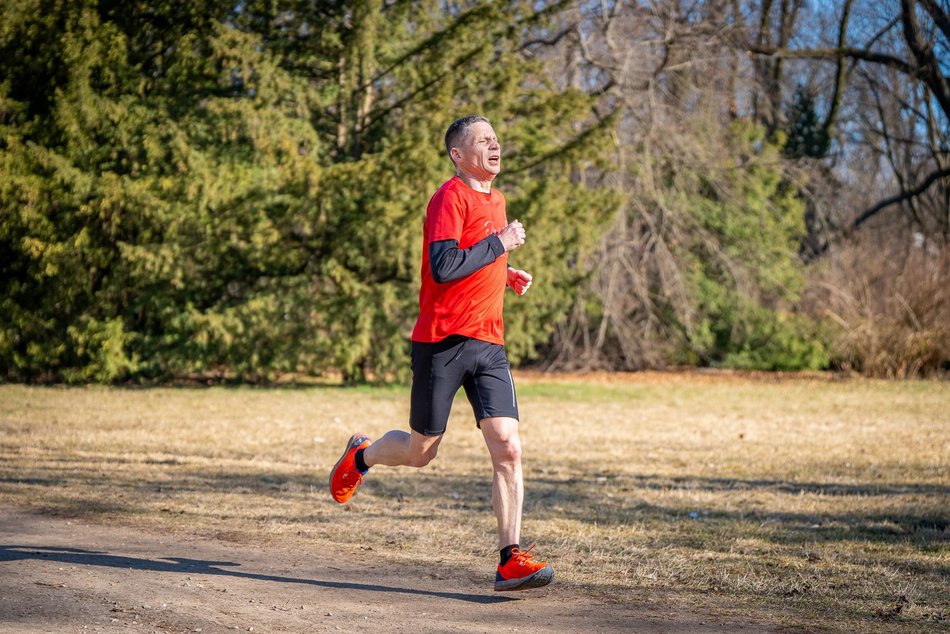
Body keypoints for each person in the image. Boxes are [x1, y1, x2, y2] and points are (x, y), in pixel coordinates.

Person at [328, 115, 554, 592]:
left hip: (489, 343)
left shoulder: (497, 200)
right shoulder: (448, 198)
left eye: (495, 139)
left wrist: (506, 269)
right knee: (420, 452)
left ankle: (510, 559)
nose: (495, 146)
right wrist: (501, 244)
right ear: (458, 154)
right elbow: (445, 264)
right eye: (483, 141)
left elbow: (477, 255)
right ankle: (362, 456)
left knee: (509, 448)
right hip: (443, 343)